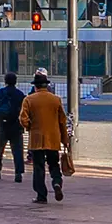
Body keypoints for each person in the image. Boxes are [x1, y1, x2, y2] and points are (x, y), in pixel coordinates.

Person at [21, 68, 68, 204]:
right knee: (54, 164)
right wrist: (64, 140)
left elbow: (23, 119)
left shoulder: (29, 100)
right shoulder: (56, 100)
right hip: (53, 138)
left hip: (36, 138)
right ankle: (57, 182)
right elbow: (62, 121)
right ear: (46, 86)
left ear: (35, 86)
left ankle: (41, 195)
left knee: (38, 167)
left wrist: (29, 127)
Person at [0, 70, 26, 182]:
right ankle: (18, 173)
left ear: (5, 81)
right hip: (16, 124)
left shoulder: (1, 92)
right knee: (18, 150)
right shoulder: (20, 94)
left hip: (2, 124)